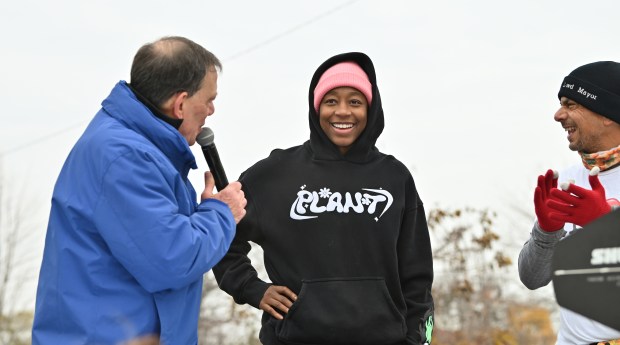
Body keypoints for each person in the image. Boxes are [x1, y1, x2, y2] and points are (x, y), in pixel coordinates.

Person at [32, 36, 247, 344]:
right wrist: (222, 213)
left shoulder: (136, 148)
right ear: (181, 103)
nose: (211, 110)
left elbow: (155, 239)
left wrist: (206, 214)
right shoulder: (125, 157)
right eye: (209, 99)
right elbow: (172, 259)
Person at [213, 52, 434, 345]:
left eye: (355, 101)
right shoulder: (275, 174)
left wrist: (419, 339)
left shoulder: (395, 178)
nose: (342, 112)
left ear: (371, 108)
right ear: (316, 108)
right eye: (331, 101)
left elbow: (417, 275)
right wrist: (253, 289)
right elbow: (220, 236)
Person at [518, 61, 620, 344]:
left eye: (571, 104)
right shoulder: (567, 180)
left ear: (607, 114)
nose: (558, 115)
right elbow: (532, 278)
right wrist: (547, 233)